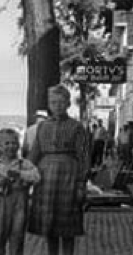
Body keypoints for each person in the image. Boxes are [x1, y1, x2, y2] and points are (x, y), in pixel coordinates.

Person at [28, 84, 89, 255]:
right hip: (45, 178)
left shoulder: (77, 127)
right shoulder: (42, 127)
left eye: (61, 102)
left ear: (68, 104)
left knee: (67, 225)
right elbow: (34, 154)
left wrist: (81, 184)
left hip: (68, 177)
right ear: (49, 104)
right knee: (49, 225)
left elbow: (83, 157)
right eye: (53, 102)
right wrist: (23, 174)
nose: (57, 106)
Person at [0, 128, 40, 255]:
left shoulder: (24, 164)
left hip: (20, 203)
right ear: (0, 146)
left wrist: (20, 174)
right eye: (7, 143)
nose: (11, 147)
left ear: (19, 145)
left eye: (14, 143)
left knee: (17, 237)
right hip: (1, 203)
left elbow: (36, 176)